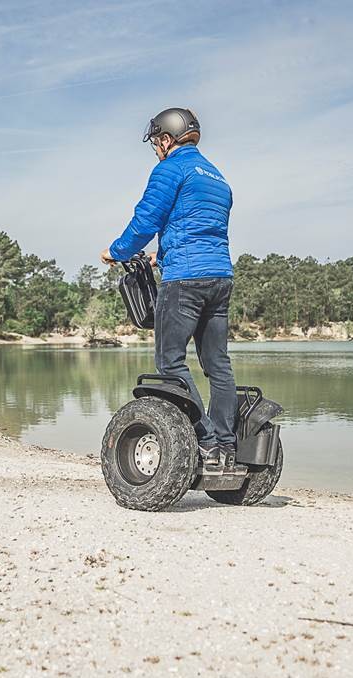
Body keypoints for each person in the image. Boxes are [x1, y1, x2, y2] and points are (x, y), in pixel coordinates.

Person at [100, 107, 236, 467]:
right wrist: (162, 255)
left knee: (169, 360)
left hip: (185, 281)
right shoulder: (217, 177)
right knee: (218, 365)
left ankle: (203, 440)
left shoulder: (170, 168)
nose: (156, 149)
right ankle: (226, 444)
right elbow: (199, 227)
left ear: (166, 138)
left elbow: (147, 219)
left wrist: (117, 251)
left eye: (157, 141)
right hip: (220, 278)